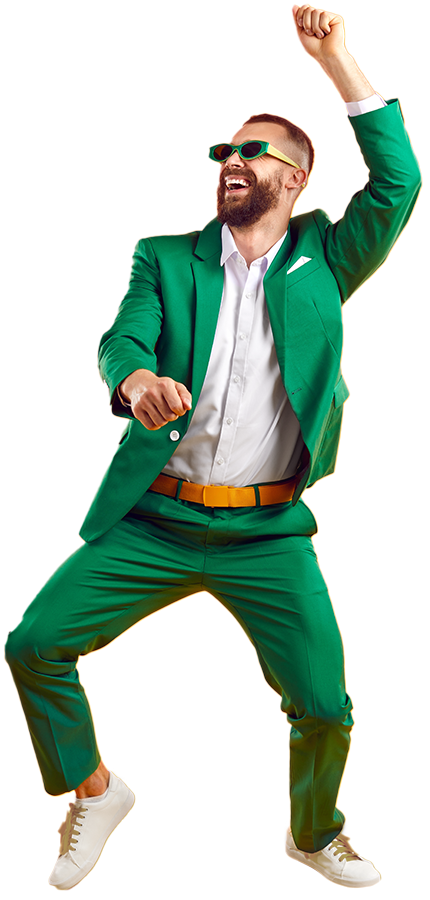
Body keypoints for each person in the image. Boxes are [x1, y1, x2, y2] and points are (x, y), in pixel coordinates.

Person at [4, 3, 421, 892]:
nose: (232, 160)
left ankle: (314, 832)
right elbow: (123, 337)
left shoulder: (327, 258)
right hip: (153, 520)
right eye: (224, 151)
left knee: (324, 705)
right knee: (33, 644)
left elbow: (398, 182)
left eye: (252, 151)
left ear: (295, 178)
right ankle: (97, 792)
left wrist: (336, 62)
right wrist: (135, 381)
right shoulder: (164, 256)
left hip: (267, 535)